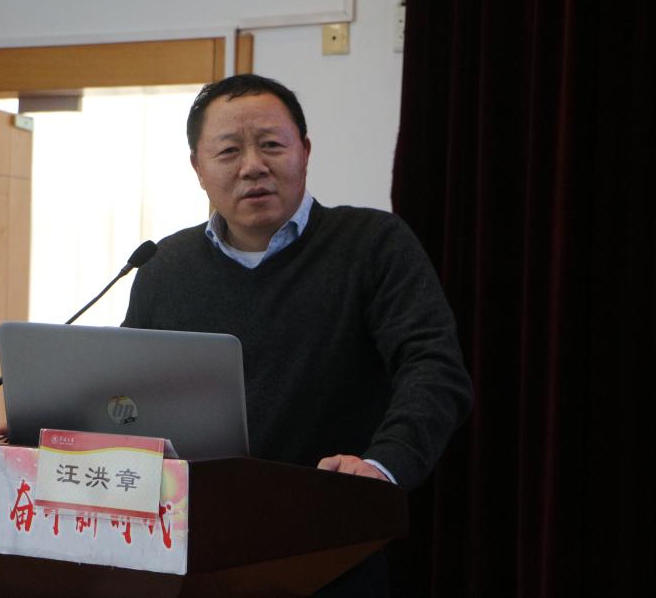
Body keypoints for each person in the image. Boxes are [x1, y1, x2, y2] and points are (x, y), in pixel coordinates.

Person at [122, 74, 473, 594]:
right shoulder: (164, 265)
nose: (252, 166)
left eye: (271, 145)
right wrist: (45, 426)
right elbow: (127, 392)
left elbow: (434, 369)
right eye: (228, 151)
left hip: (330, 544)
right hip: (194, 547)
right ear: (198, 168)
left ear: (304, 152)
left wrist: (382, 465)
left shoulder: (373, 245)